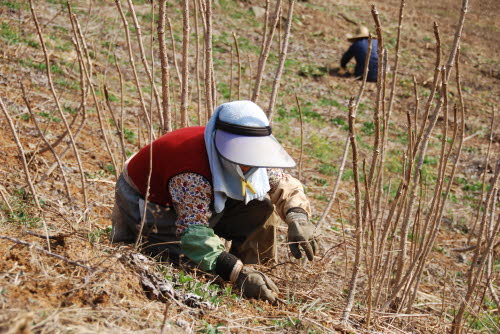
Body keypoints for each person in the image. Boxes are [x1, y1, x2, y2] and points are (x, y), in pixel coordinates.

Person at [111, 100, 318, 303]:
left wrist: (297, 216)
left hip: (200, 199)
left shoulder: (254, 155)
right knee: (184, 260)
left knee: (261, 206)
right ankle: (242, 278)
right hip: (150, 200)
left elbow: (283, 184)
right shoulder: (191, 174)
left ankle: (259, 276)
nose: (248, 164)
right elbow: (193, 235)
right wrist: (235, 272)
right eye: (243, 156)